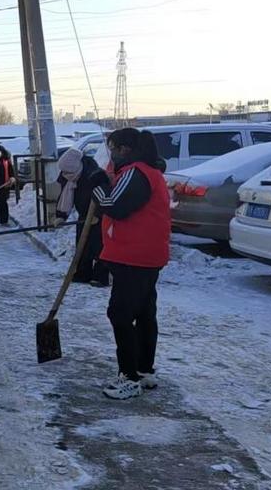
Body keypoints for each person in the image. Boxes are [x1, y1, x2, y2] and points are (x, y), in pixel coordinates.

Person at [93, 128, 171, 400]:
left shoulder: (137, 173)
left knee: (121, 313)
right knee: (144, 312)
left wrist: (97, 185)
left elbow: (113, 204)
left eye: (112, 147)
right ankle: (143, 369)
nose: (110, 153)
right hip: (143, 254)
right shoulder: (147, 172)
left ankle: (128, 376)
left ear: (125, 149)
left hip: (134, 256)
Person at [55, 147, 110, 286]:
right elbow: (64, 197)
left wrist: (97, 214)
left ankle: (100, 277)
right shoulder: (70, 177)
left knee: (98, 247)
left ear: (75, 167)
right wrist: (61, 216)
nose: (64, 174)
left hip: (99, 217)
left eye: (66, 171)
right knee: (82, 246)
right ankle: (82, 274)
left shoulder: (95, 175)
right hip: (84, 215)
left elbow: (106, 195)